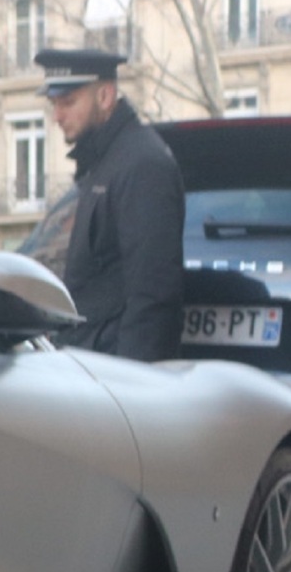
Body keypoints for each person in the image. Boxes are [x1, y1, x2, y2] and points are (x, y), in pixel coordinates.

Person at [33, 47, 184, 362]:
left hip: (115, 377)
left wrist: (131, 384)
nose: (57, 116)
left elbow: (153, 294)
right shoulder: (104, 162)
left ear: (104, 96)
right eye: (54, 104)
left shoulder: (141, 164)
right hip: (89, 364)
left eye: (68, 102)